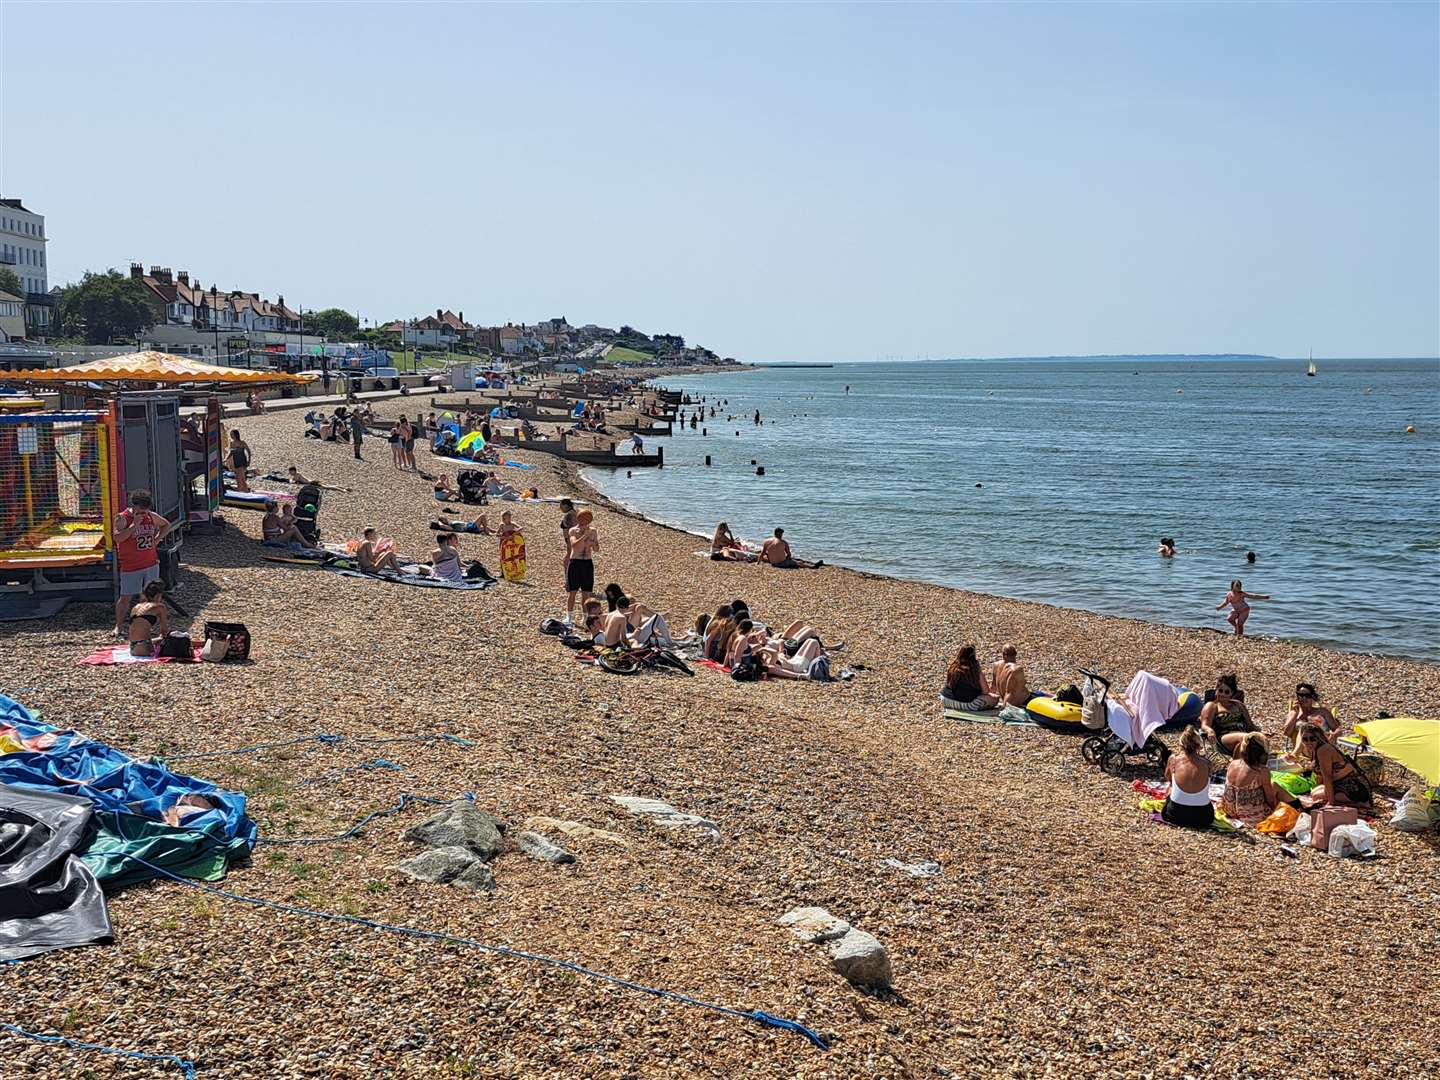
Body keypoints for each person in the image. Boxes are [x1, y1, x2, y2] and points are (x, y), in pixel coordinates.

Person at [113, 490, 175, 637]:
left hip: (150, 563)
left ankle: (145, 624)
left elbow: (166, 525)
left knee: (149, 596)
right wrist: (133, 525)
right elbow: (118, 538)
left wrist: (157, 540)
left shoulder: (151, 516)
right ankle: (119, 626)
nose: (144, 513)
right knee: (125, 597)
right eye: (141, 510)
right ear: (133, 506)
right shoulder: (122, 518)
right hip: (130, 566)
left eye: (146, 510)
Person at [1298, 722, 1371, 807]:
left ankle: (1358, 804)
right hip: (1344, 783)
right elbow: (1320, 776)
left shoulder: (1323, 750)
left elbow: (1327, 777)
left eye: (1312, 739)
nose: (1308, 742)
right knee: (1315, 792)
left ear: (1318, 738)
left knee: (1316, 796)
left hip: (1354, 787)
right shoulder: (1315, 750)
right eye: (1305, 739)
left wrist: (1330, 803)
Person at [1221, 733, 1288, 825]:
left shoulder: (1233, 763)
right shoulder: (1261, 771)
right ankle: (1298, 805)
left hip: (1229, 810)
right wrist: (1273, 810)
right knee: (1275, 786)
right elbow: (1270, 799)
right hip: (1250, 816)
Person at [1161, 726, 1216, 829]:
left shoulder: (1173, 760)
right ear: (1198, 746)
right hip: (1203, 817)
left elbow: (1168, 778)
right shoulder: (1207, 764)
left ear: (1181, 745)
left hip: (1175, 815)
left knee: (1171, 787)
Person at [1199, 673, 1255, 756]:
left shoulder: (1238, 705)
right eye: (1220, 691)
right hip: (1223, 738)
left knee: (1259, 740)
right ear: (1216, 691)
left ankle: (1254, 765)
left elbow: (1250, 725)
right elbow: (1204, 725)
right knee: (1245, 739)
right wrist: (1209, 730)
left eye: (1227, 692)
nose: (1223, 694)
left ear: (1232, 693)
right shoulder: (1212, 706)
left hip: (1244, 734)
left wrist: (1260, 732)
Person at [1282, 682, 1340, 755]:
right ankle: (1295, 754)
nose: (1304, 698)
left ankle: (1294, 756)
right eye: (1300, 695)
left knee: (1309, 728)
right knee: (1305, 728)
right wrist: (1295, 714)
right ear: (1297, 697)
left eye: (1307, 695)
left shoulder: (1323, 712)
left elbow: (1337, 729)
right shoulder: (1294, 713)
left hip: (1324, 744)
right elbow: (1286, 733)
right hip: (1306, 748)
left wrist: (1334, 734)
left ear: (1312, 697)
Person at [565, 509, 599, 623]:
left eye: (587, 519)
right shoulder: (573, 530)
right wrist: (585, 535)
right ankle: (569, 617)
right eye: (583, 518)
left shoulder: (593, 531)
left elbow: (596, 549)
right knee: (573, 592)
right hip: (575, 562)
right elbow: (574, 545)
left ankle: (585, 617)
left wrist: (593, 542)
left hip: (587, 563)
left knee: (586, 592)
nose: (585, 521)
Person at [942, 644, 997, 710]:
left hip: (946, 700)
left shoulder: (954, 666)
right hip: (968, 703)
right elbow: (986, 691)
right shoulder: (975, 668)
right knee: (995, 698)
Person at [126, 581, 171, 657]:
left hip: (133, 646)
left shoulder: (136, 607)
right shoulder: (159, 607)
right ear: (158, 595)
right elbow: (164, 631)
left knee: (159, 639)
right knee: (174, 640)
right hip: (144, 648)